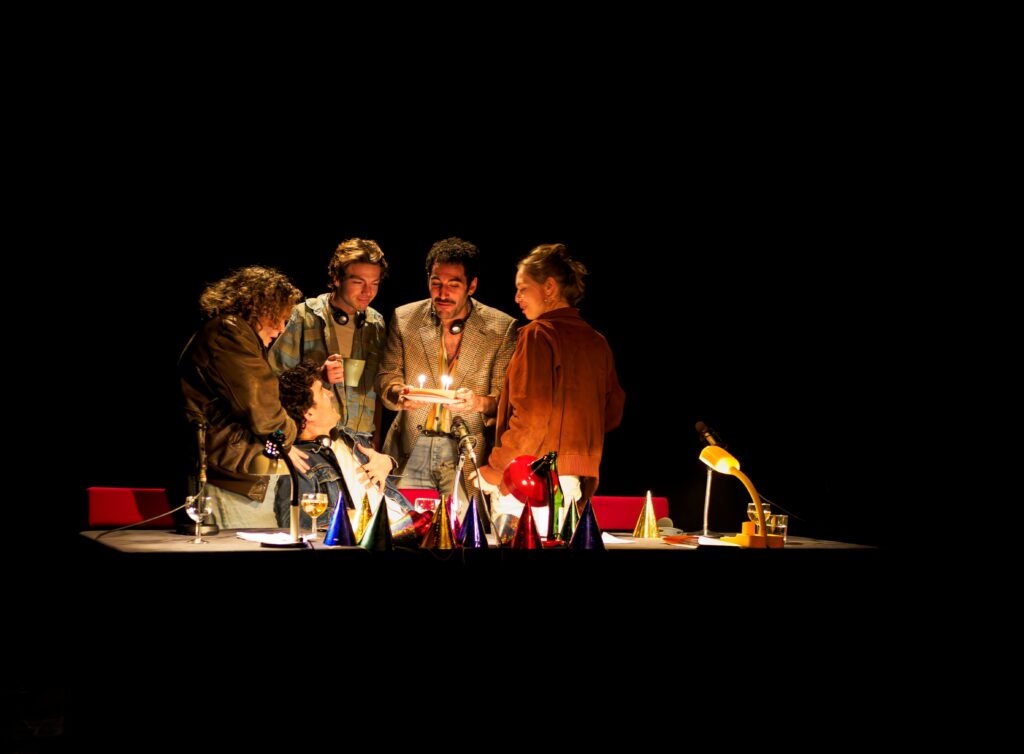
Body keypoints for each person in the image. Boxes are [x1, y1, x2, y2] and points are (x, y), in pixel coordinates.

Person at [478, 244, 625, 536]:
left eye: (523, 289)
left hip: (528, 481)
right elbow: (611, 413)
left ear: (549, 287)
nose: (516, 298)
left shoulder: (538, 334)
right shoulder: (597, 342)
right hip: (572, 484)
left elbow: (532, 416)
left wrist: (495, 469)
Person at [377, 237, 517, 512]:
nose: (442, 293)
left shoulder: (501, 328)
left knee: (461, 530)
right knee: (405, 526)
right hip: (411, 446)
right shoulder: (405, 319)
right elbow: (386, 377)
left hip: (466, 450)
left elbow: (505, 401)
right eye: (436, 283)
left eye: (453, 284)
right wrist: (399, 394)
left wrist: (477, 402)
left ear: (471, 286)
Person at [179, 266, 310, 529]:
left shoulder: (234, 334)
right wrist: (288, 433)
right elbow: (263, 409)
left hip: (236, 474)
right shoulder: (229, 332)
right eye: (277, 318)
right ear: (257, 308)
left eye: (285, 321)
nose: (281, 329)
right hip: (229, 477)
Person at [273, 360, 420, 538]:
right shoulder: (301, 462)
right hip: (377, 540)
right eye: (322, 391)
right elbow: (296, 527)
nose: (330, 394)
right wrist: (351, 521)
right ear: (309, 413)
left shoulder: (352, 439)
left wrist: (387, 461)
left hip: (409, 525)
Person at [269, 238, 388, 449]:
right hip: (313, 441)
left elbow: (375, 389)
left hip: (361, 443)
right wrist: (318, 375)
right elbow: (274, 378)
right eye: (358, 282)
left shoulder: (376, 323)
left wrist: (376, 436)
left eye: (374, 284)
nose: (368, 292)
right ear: (336, 278)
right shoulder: (304, 316)